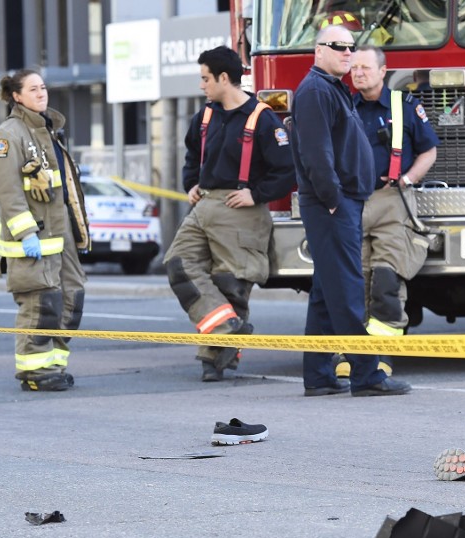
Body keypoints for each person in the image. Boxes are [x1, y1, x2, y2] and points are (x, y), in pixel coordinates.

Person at [290, 24, 411, 397]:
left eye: (350, 47)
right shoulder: (314, 91)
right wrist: (332, 200)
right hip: (332, 205)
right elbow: (317, 155)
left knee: (327, 292)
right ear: (318, 50)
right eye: (338, 46)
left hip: (341, 202)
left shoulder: (330, 89)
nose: (347, 52)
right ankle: (366, 374)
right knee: (347, 289)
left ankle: (319, 376)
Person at [164, 46, 294, 382]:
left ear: (224, 78)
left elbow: (287, 171)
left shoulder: (263, 118)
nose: (201, 85)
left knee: (230, 283)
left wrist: (256, 194)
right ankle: (227, 327)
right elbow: (193, 155)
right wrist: (191, 183)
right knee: (178, 264)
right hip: (204, 206)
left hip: (242, 211)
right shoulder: (205, 115)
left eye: (205, 78)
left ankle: (216, 359)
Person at [338, 45, 439, 378]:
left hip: (390, 200)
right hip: (351, 202)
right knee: (355, 281)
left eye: (366, 67)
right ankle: (351, 355)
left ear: (383, 71)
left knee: (385, 279)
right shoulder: (343, 106)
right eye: (354, 68)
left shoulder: (405, 107)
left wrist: (408, 178)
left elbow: (429, 151)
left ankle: (382, 355)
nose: (358, 73)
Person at [0, 69, 90, 392]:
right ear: (16, 96)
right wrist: (26, 233)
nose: (41, 93)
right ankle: (34, 370)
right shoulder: (10, 135)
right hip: (34, 239)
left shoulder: (49, 131)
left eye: (43, 87)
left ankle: (53, 364)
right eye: (33, 89)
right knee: (40, 304)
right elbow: (7, 191)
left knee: (72, 297)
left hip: (62, 237)